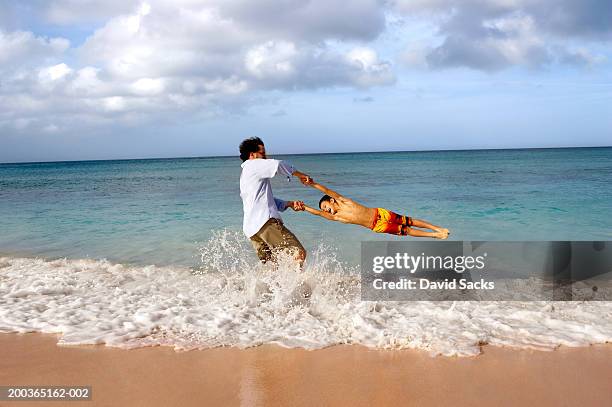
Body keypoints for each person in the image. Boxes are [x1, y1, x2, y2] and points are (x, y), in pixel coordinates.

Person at [239, 137, 311, 266]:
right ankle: (296, 285)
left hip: (252, 231)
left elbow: (263, 201)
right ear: (252, 155)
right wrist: (301, 175)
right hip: (265, 224)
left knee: (273, 267)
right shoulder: (253, 164)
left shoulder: (245, 174)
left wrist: (288, 204)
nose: (265, 157)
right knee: (298, 253)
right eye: (262, 153)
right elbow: (277, 164)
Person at [301, 178, 449, 239]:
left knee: (409, 221)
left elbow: (326, 190)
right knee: (406, 230)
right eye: (324, 209)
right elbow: (318, 214)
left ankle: (437, 228)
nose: (325, 210)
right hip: (376, 225)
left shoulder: (343, 201)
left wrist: (312, 183)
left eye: (326, 206)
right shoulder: (337, 216)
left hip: (380, 213)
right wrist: (304, 208)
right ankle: (435, 235)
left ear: (332, 201)